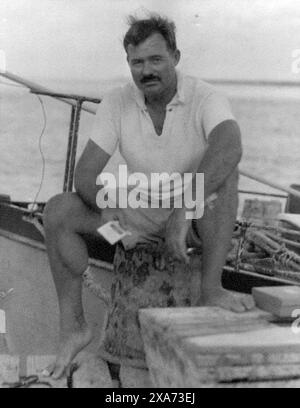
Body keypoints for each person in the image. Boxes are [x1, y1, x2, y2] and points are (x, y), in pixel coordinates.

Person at [43, 14, 255, 379]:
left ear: (176, 56)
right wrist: (114, 220)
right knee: (58, 210)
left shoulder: (206, 97)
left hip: (191, 219)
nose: (146, 71)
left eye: (156, 60)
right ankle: (74, 327)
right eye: (137, 62)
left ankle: (210, 288)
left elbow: (229, 144)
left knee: (225, 176)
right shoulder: (117, 101)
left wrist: (183, 210)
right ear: (128, 64)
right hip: (136, 216)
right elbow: (86, 175)